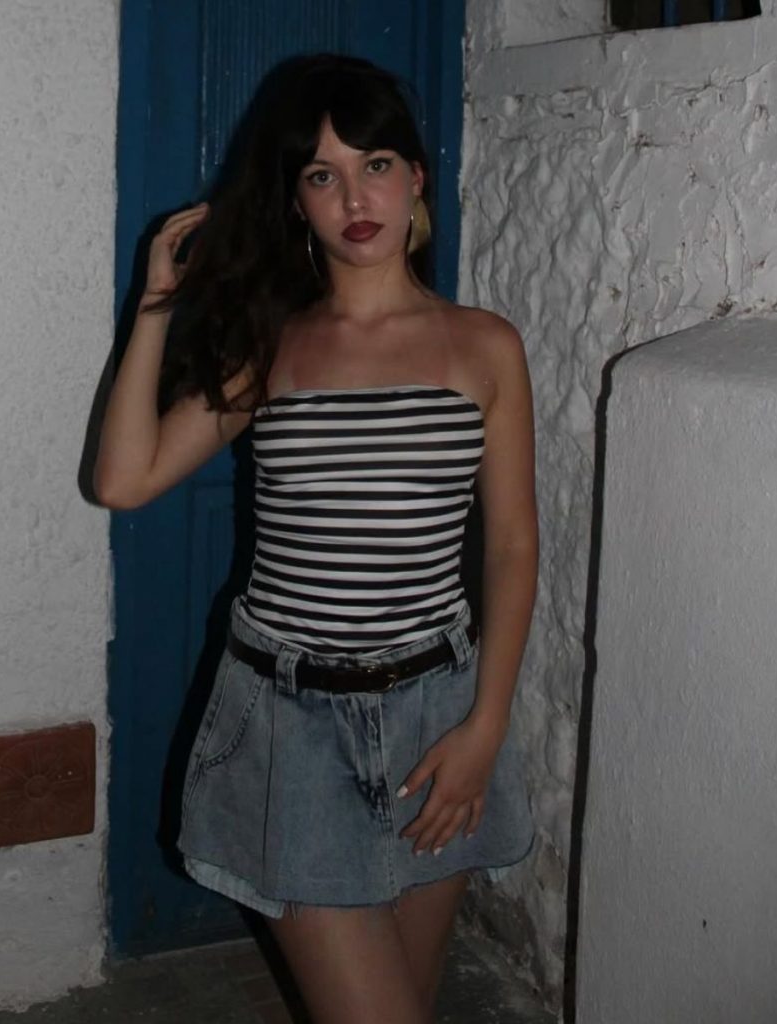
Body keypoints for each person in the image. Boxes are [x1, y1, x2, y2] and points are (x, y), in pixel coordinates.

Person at [94, 54, 536, 1024]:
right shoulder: (271, 347)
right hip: (289, 727)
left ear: (415, 177)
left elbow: (509, 546)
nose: (354, 198)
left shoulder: (485, 345)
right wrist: (156, 305)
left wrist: (485, 726)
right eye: (321, 175)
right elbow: (123, 479)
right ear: (296, 201)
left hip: (436, 717)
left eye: (374, 164)